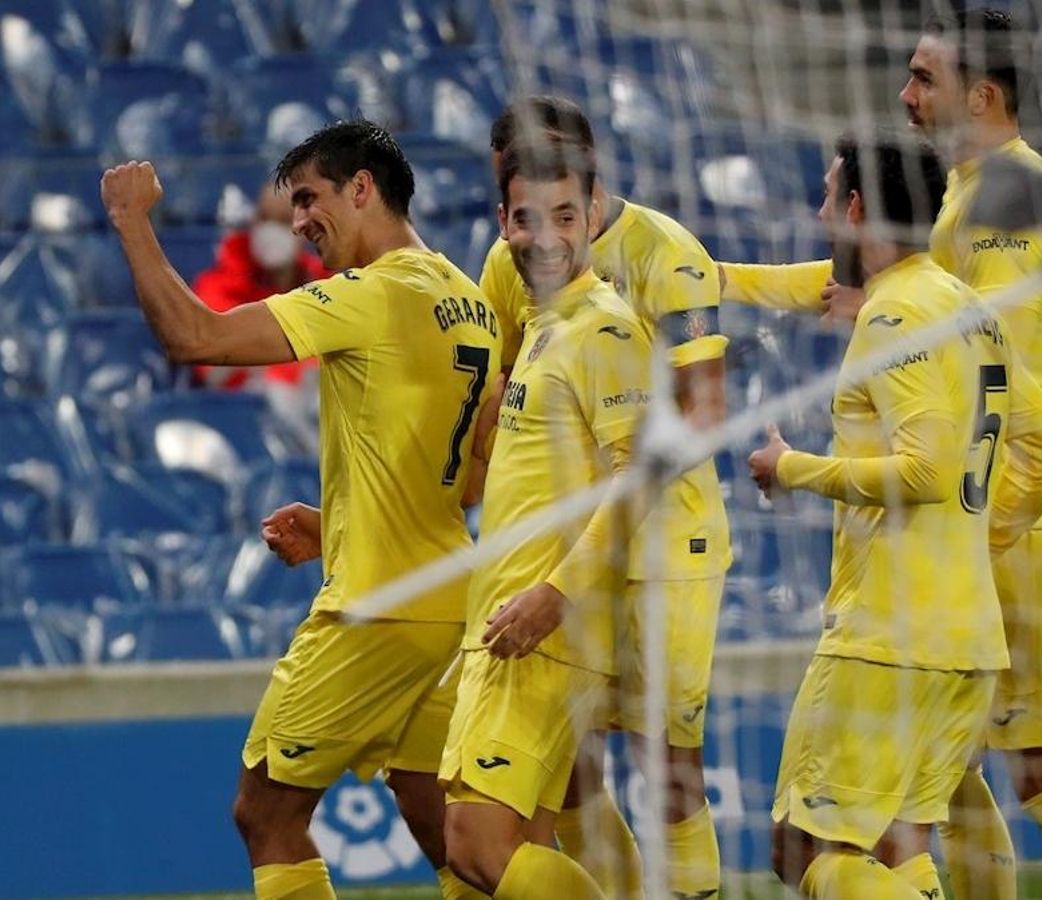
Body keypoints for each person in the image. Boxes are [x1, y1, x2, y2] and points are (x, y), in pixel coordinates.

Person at [724, 9, 1042, 899]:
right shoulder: (962, 191)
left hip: (1005, 502)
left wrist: (882, 327)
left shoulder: (1008, 194)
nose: (905, 95)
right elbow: (883, 287)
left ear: (982, 95)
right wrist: (715, 279)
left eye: (924, 79)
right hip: (997, 481)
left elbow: (967, 333)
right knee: (941, 778)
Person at [101, 119, 504, 900]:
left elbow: (194, 337)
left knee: (267, 816)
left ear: (364, 188)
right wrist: (339, 522)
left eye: (312, 198)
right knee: (443, 826)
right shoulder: (469, 300)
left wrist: (130, 220)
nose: (298, 222)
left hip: (378, 609)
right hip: (447, 601)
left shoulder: (372, 292)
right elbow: (468, 478)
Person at [746, 132, 1042, 900]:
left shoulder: (892, 316)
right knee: (899, 851)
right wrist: (972, 541)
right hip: (966, 637)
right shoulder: (970, 309)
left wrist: (793, 469)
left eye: (830, 196)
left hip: (888, 639)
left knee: (801, 849)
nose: (822, 212)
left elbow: (925, 471)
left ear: (858, 208)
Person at [480, 95, 731, 900]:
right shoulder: (505, 260)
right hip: (569, 547)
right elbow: (498, 402)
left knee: (665, 758)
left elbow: (704, 408)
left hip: (667, 542)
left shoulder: (666, 250)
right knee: (571, 763)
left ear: (592, 180)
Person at [438, 140, 651, 900]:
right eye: (529, 219)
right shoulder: (541, 328)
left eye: (567, 214)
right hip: (512, 619)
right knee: (500, 855)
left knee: (475, 841)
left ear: (593, 215)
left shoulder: (605, 328)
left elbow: (641, 480)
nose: (549, 235)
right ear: (503, 223)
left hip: (545, 626)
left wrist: (554, 594)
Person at [192, 180, 327, 441]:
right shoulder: (217, 287)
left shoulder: (326, 286)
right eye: (264, 218)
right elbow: (216, 370)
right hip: (242, 427)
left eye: (283, 220)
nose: (271, 230)